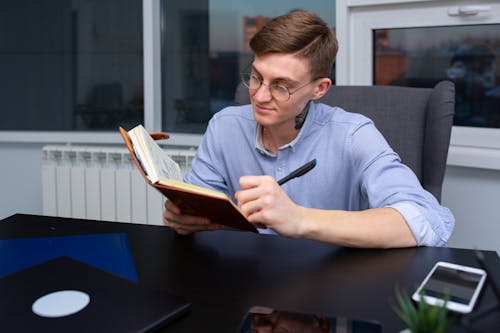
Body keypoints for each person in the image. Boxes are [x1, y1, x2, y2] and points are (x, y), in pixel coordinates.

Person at [163, 10, 455, 248]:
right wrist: (185, 218)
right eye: (256, 77)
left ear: (319, 89)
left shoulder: (354, 135)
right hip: (246, 289)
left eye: (281, 86)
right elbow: (199, 207)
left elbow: (428, 221)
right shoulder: (224, 126)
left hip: (330, 291)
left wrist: (299, 220)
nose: (260, 95)